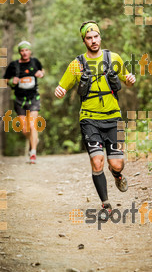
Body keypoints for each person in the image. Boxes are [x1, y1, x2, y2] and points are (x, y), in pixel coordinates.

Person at [55, 21, 136, 218]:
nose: (93, 41)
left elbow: (127, 80)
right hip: (89, 118)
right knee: (97, 161)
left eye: (95, 37)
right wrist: (60, 90)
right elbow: (62, 87)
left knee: (116, 164)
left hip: (113, 118)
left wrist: (130, 79)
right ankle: (106, 204)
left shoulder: (113, 58)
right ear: (84, 41)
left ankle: (117, 176)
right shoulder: (77, 64)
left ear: (100, 37)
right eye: (89, 38)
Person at [4, 41, 45, 164]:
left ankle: (33, 153)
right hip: (19, 100)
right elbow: (5, 80)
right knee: (25, 129)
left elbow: (42, 71)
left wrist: (41, 74)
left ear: (30, 51)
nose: (24, 52)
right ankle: (34, 140)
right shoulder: (13, 65)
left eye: (26, 50)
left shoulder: (35, 62)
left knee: (33, 125)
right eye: (22, 50)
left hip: (33, 99)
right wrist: (12, 81)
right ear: (19, 52)